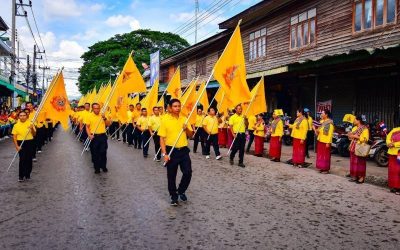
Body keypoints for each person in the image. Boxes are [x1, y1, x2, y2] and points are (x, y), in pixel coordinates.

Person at [159, 99, 193, 206]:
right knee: (171, 175)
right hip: (171, 151)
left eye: (179, 106)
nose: (177, 108)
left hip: (183, 150)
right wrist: (165, 154)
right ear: (169, 108)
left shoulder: (184, 119)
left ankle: (181, 190)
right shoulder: (165, 120)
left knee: (188, 172)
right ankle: (173, 196)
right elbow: (161, 139)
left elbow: (191, 135)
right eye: (175, 106)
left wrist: (186, 129)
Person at [86, 103, 111, 174]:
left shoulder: (102, 115)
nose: (97, 110)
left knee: (103, 152)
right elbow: (87, 127)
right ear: (92, 109)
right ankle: (96, 167)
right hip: (94, 137)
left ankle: (103, 166)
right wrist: (89, 135)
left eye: (98, 108)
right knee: (95, 153)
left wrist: (104, 118)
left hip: (102, 136)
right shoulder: (89, 116)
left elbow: (108, 124)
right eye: (95, 108)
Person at [12, 110, 36, 182]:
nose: (22, 117)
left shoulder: (31, 123)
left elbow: (34, 134)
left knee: (29, 159)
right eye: (21, 116)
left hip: (29, 142)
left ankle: (28, 174)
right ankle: (21, 176)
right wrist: (17, 146)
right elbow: (14, 137)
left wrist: (32, 128)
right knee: (22, 159)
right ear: (19, 117)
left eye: (24, 115)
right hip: (20, 143)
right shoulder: (16, 125)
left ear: (27, 116)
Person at [348, 115, 369, 184]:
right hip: (353, 146)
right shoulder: (354, 128)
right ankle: (355, 176)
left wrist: (356, 137)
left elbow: (366, 139)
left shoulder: (365, 129)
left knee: (360, 162)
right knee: (353, 162)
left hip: (360, 147)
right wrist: (350, 136)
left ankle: (361, 177)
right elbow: (351, 137)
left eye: (355, 120)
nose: (353, 121)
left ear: (358, 120)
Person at [313, 109, 334, 174]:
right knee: (321, 155)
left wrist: (328, 142)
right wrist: (316, 130)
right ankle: (321, 168)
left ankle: (326, 169)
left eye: (322, 113)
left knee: (326, 155)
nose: (321, 114)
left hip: (326, 142)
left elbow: (330, 134)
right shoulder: (321, 121)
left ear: (326, 114)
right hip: (320, 140)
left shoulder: (330, 123)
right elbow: (319, 130)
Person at [387, 127, 400, 194]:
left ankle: (398, 187)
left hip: (399, 153)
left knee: (398, 170)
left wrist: (394, 144)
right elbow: (388, 138)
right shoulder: (394, 129)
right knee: (392, 170)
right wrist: (389, 143)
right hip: (392, 152)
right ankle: (393, 186)